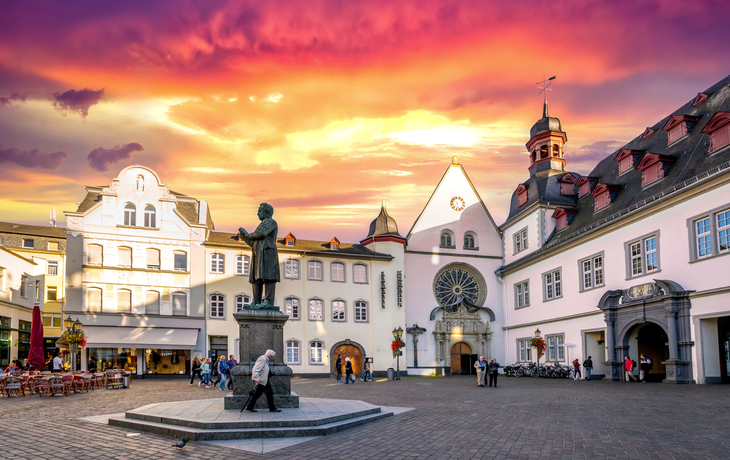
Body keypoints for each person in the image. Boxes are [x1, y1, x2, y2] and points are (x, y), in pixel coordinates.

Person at [238, 203, 280, 309]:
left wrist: (248, 235)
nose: (257, 214)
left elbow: (262, 234)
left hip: (267, 254)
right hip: (258, 254)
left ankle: (269, 301)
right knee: (256, 278)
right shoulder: (261, 225)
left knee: (269, 277)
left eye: (259, 211)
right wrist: (244, 236)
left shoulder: (271, 222)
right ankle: (256, 301)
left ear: (265, 211)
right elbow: (253, 242)